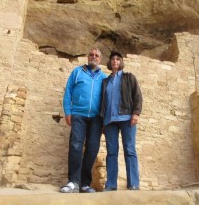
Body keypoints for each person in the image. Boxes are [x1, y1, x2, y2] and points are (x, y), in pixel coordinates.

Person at [60, 48, 107, 193]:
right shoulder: (77, 72)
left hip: (96, 118)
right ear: (88, 57)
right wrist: (68, 111)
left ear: (100, 59)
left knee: (92, 149)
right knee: (75, 146)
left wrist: (105, 120)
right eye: (91, 55)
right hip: (78, 114)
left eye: (97, 55)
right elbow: (68, 92)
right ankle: (73, 182)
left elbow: (107, 100)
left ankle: (85, 184)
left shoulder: (104, 77)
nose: (94, 57)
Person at [100, 51, 142, 191]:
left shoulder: (129, 77)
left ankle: (133, 184)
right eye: (112, 59)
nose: (115, 61)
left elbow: (137, 96)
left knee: (129, 150)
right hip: (109, 120)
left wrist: (136, 113)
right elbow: (102, 103)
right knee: (111, 152)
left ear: (121, 62)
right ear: (110, 63)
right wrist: (101, 122)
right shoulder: (105, 82)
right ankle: (111, 184)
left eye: (118, 59)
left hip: (126, 118)